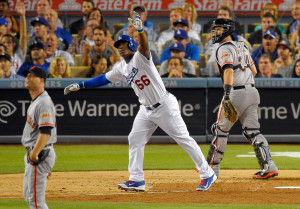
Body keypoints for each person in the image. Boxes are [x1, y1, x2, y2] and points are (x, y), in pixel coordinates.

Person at [64, 12, 217, 192]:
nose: (120, 48)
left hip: (164, 105)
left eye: (123, 45)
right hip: (146, 109)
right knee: (134, 138)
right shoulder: (121, 67)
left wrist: (140, 30)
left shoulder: (140, 56)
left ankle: (207, 174)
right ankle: (136, 179)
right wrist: (80, 85)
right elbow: (102, 79)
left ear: (131, 45)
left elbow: (144, 45)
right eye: (118, 45)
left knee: (183, 139)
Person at [204, 18, 278, 179]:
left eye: (219, 29)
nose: (216, 32)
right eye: (215, 29)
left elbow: (229, 71)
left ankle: (211, 168)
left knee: (220, 130)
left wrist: (227, 94)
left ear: (228, 30)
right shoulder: (243, 46)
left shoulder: (223, 48)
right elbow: (255, 71)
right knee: (252, 131)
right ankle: (269, 165)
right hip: (252, 91)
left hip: (236, 92)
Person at [21, 66, 57, 209]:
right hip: (37, 153)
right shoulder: (37, 101)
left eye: (32, 76)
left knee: (36, 202)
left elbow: (46, 132)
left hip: (39, 154)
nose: (27, 78)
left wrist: (35, 154)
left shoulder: (43, 102)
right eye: (27, 75)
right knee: (29, 196)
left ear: (41, 80)